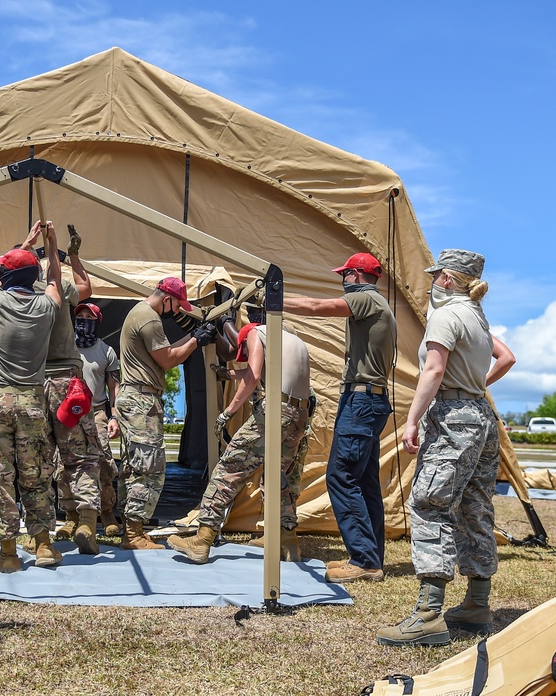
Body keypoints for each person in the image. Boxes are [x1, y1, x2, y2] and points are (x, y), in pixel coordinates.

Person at [377, 249, 515, 647]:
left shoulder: (446, 314)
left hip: (454, 416)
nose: (431, 281)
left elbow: (434, 369)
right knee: (476, 505)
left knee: (429, 503)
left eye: (436, 275)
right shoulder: (476, 315)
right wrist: (478, 388)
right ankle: (476, 605)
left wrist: (412, 420)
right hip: (481, 417)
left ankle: (428, 615)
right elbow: (507, 358)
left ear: (448, 279)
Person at [167, 303, 311, 563]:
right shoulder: (292, 339)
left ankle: (203, 539)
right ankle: (287, 541)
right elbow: (258, 369)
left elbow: (253, 373)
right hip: (299, 415)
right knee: (277, 479)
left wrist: (228, 412)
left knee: (228, 469)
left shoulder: (256, 333)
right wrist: (227, 373)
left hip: (274, 412)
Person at [284, 252, 396, 582]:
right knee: (364, 481)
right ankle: (370, 558)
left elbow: (319, 308)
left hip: (361, 403)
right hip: (368, 401)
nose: (342, 280)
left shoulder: (367, 299)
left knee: (341, 475)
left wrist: (274, 301)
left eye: (344, 274)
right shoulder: (378, 305)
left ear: (357, 275)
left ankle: (363, 560)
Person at [0, 221, 62, 572]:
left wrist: (25, 242)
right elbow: (55, 283)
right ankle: (43, 547)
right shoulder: (46, 308)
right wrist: (52, 247)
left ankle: (8, 555)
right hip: (31, 403)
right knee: (36, 474)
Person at [116, 278, 216, 550]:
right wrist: (196, 340)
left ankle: (131, 529)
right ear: (167, 298)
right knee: (150, 469)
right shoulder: (149, 319)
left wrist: (194, 335)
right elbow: (169, 359)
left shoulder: (140, 313)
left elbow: (169, 350)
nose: (175, 311)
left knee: (134, 466)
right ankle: (133, 534)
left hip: (135, 398)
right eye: (176, 306)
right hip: (142, 400)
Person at [36, 227, 103, 554]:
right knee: (82, 454)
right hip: (66, 381)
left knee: (43, 458)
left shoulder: (17, 294)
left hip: (35, 385)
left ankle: (55, 527)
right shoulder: (60, 287)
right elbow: (87, 287)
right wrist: (69, 252)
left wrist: (30, 243)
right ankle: (87, 521)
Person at [72, 302, 122, 536]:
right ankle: (71, 516)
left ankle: (107, 513)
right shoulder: (64, 346)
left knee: (103, 464)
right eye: (80, 315)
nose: (83, 319)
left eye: (88, 317)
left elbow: (114, 386)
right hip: (68, 414)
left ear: (97, 322)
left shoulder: (107, 351)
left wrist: (115, 417)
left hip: (97, 413)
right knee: (66, 466)